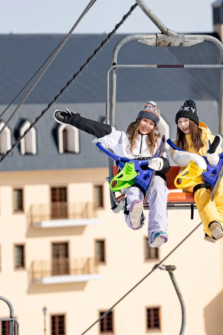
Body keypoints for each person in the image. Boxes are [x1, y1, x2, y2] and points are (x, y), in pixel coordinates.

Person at [53, 102, 170, 248]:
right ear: (139, 120)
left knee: (159, 188)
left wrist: (160, 164)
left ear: (154, 127)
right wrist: (73, 120)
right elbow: (98, 129)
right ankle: (134, 216)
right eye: (145, 120)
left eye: (151, 123)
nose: (147, 125)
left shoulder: (158, 142)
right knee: (133, 192)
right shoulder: (122, 139)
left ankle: (157, 232)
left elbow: (165, 163)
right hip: (131, 177)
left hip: (151, 177)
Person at [169, 100, 223, 242]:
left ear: (194, 121)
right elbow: (177, 157)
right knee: (203, 192)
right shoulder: (178, 143)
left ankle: (215, 229)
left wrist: (212, 156)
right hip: (192, 179)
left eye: (186, 120)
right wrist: (193, 157)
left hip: (212, 175)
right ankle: (212, 225)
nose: (183, 125)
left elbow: (217, 161)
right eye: (179, 122)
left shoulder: (210, 139)